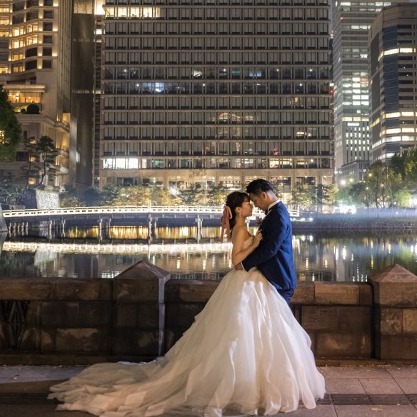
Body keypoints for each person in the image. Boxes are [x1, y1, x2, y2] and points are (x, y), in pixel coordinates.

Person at [49, 191, 325, 417]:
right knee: (240, 336)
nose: (251, 206)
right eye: (247, 203)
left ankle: (249, 382)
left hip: (251, 283)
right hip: (244, 281)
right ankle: (244, 385)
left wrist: (257, 243)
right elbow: (236, 260)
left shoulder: (245, 224)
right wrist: (256, 245)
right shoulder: (241, 228)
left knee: (246, 335)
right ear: (238, 210)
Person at [236, 179, 297, 304]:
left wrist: (244, 265)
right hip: (274, 279)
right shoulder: (275, 212)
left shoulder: (278, 215)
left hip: (279, 280)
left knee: (279, 322)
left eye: (255, 201)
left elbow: (270, 249)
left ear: (264, 195)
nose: (256, 205)